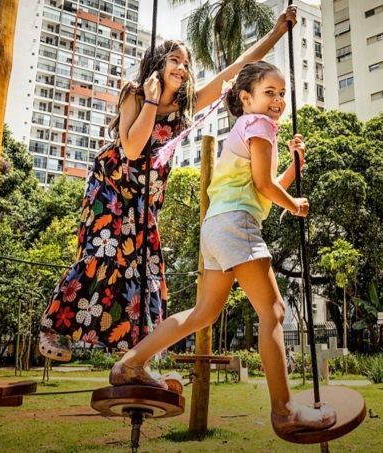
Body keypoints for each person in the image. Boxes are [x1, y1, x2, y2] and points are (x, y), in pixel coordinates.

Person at [39, 6, 299, 362]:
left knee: (145, 269)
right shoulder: (134, 93)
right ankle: (55, 326)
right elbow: (131, 148)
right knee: (104, 252)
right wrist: (149, 101)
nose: (182, 68)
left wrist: (277, 32)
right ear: (158, 64)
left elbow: (237, 69)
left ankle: (135, 356)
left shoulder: (185, 103)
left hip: (147, 197)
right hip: (113, 186)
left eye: (187, 63)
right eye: (175, 60)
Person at [110, 61, 336, 436]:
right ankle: (284, 411)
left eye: (282, 94)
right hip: (236, 224)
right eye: (269, 93)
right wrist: (294, 205)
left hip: (216, 226)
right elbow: (265, 187)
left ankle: (131, 363)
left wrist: (294, 169)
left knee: (203, 313)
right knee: (274, 313)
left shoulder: (248, 127)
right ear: (245, 98)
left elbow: (260, 185)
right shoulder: (259, 124)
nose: (278, 100)